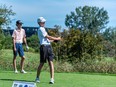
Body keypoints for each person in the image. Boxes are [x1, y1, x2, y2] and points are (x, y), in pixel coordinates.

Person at [35, 17, 61, 84]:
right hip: (43, 47)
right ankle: (37, 77)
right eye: (42, 22)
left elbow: (48, 40)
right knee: (42, 63)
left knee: (51, 62)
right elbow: (48, 37)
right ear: (39, 23)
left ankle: (52, 79)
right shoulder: (40, 29)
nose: (44, 23)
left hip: (49, 47)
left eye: (44, 22)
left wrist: (55, 40)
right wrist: (57, 38)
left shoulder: (43, 29)